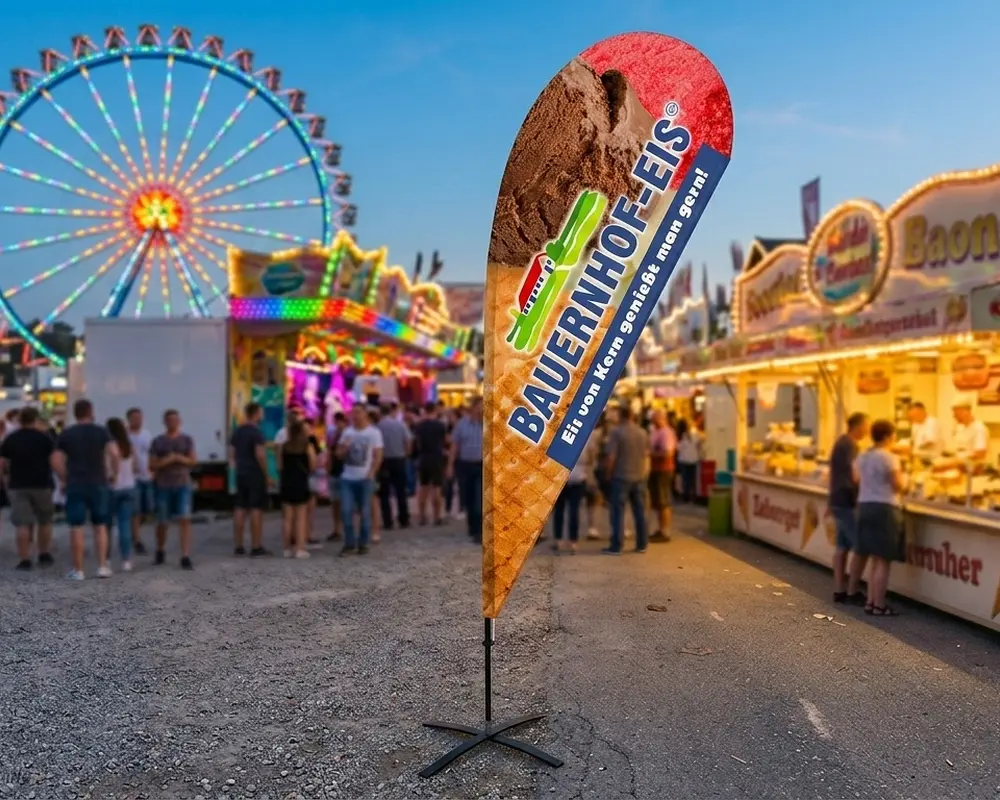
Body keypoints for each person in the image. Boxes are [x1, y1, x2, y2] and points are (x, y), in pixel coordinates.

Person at [52, 398, 115, 580]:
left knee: (76, 526)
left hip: (76, 483)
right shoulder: (101, 432)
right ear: (91, 411)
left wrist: (64, 477)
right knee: (100, 526)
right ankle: (102, 566)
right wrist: (113, 473)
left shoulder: (67, 434)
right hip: (98, 482)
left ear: (75, 412)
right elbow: (115, 453)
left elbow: (55, 459)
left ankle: (78, 570)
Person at [853, 419, 906, 617]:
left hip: (865, 505)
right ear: (888, 436)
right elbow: (898, 485)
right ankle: (879, 605)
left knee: (873, 558)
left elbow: (855, 479)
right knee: (883, 559)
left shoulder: (863, 456)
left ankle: (870, 601)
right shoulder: (890, 458)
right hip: (884, 508)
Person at [1, 406, 55, 570]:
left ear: (20, 420)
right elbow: (53, 460)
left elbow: (2, 463)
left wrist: (5, 481)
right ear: (35, 419)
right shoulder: (44, 438)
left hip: (18, 485)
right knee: (44, 521)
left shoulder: (11, 439)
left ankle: (25, 559)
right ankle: (43, 554)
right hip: (42, 484)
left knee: (22, 524)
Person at [829, 412, 869, 604]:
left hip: (837, 498)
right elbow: (855, 475)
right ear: (858, 426)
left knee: (842, 547)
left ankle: (839, 590)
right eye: (866, 426)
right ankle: (853, 591)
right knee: (861, 547)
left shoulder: (841, 442)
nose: (867, 430)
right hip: (847, 499)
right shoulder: (850, 445)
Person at [149, 409, 196, 570]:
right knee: (162, 521)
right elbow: (152, 464)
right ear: (165, 422)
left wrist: (179, 458)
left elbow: (192, 460)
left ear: (179, 421)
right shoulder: (158, 441)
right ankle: (160, 549)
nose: (173, 423)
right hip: (164, 485)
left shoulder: (187, 440)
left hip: (183, 484)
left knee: (185, 519)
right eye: (169, 420)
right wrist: (166, 461)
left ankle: (185, 555)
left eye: (175, 420)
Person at [336, 403, 383, 555]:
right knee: (346, 510)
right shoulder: (347, 432)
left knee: (365, 510)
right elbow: (338, 454)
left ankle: (363, 542)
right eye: (353, 413)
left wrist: (372, 472)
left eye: (358, 412)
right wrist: (344, 448)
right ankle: (349, 543)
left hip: (365, 478)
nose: (355, 416)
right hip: (347, 477)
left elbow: (378, 454)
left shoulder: (373, 433)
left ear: (365, 414)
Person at [602, 406, 649, 554]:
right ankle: (642, 544)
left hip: (621, 476)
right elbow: (646, 455)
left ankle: (617, 545)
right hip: (639, 477)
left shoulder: (617, 432)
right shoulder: (642, 433)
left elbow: (611, 457)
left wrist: (608, 473)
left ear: (621, 416)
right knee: (640, 511)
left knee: (617, 511)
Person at [230, 402, 271, 557]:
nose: (262, 415)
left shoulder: (238, 431)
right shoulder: (256, 432)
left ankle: (239, 546)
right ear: (256, 414)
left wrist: (237, 467)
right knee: (256, 509)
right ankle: (256, 546)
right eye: (260, 412)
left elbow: (232, 453)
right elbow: (259, 454)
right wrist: (266, 474)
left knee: (240, 508)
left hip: (241, 473)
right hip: (255, 474)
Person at [552, 429, 599, 553]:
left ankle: (558, 539)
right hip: (579, 477)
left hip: (561, 476)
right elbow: (592, 458)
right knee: (574, 510)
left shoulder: (559, 435)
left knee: (559, 510)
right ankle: (573, 541)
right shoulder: (586, 437)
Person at [448, 397, 484, 542]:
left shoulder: (489, 423)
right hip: (465, 465)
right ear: (474, 407)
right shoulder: (461, 425)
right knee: (468, 498)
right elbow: (454, 446)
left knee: (479, 498)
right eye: (481, 406)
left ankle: (479, 532)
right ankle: (472, 527)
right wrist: (450, 465)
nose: (483, 409)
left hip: (483, 465)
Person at [279, 419, 316, 558]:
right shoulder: (307, 446)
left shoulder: (283, 446)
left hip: (286, 483)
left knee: (287, 518)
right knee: (301, 518)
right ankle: (300, 548)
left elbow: (280, 465)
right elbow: (313, 465)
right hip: (301, 482)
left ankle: (286, 548)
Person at [106, 417, 138, 572]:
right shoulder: (129, 446)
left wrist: (113, 476)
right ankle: (126, 560)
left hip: (112, 488)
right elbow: (135, 466)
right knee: (124, 525)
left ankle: (105, 559)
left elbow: (110, 463)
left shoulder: (108, 445)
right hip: (128, 487)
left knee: (106, 526)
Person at [377, 403, 412, 529]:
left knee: (384, 493)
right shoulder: (400, 425)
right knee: (401, 491)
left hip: (384, 461)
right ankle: (404, 519)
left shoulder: (378, 427)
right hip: (399, 459)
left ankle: (388, 521)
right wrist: (406, 454)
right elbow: (408, 441)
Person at [414, 402, 448, 526]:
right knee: (437, 488)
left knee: (423, 488)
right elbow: (445, 441)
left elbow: (417, 443)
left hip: (424, 457)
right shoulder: (440, 425)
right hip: (437, 457)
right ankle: (437, 516)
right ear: (435, 410)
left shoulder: (419, 426)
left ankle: (422, 517)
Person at [126, 408, 153, 555]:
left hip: (146, 476)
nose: (138, 420)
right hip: (132, 478)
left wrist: (153, 470)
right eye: (135, 417)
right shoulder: (126, 436)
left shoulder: (146, 435)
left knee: (147, 508)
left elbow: (151, 453)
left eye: (140, 417)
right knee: (135, 510)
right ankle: (137, 540)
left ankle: (134, 531)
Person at [647, 409, 677, 543]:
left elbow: (668, 453)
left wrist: (651, 454)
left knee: (663, 500)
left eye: (654, 419)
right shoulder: (656, 431)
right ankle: (660, 528)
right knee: (658, 501)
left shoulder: (666, 433)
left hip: (664, 470)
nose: (652, 422)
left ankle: (665, 531)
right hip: (656, 469)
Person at [326, 411, 348, 541]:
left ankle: (345, 528)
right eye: (337, 422)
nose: (338, 424)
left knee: (345, 503)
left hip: (345, 473)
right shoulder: (333, 436)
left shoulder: (348, 436)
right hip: (334, 472)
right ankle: (337, 529)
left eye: (340, 422)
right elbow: (330, 452)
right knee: (335, 503)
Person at [675, 419, 701, 503]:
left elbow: (678, 448)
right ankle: (694, 496)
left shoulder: (679, 437)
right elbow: (699, 443)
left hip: (683, 459)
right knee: (693, 479)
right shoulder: (694, 435)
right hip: (693, 459)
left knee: (685, 479)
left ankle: (686, 496)